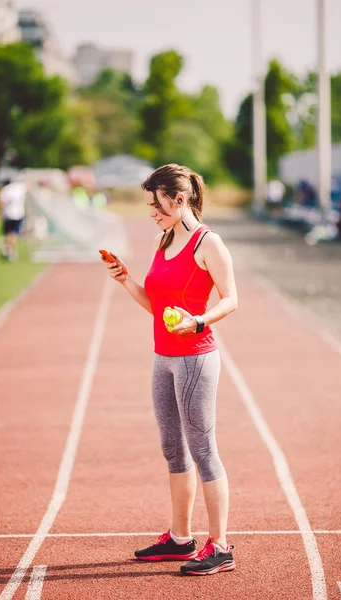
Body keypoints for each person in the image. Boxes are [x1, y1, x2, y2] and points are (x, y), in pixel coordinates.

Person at [101, 163, 238, 576]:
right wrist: (125, 280)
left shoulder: (207, 243)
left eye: (156, 206)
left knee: (202, 450)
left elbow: (231, 300)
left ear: (179, 200)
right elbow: (157, 307)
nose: (151, 213)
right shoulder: (164, 240)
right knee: (172, 449)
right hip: (163, 357)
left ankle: (221, 546)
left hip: (195, 356)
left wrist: (199, 321)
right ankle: (181, 540)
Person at [0, 177, 27, 261]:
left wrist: (1, 212)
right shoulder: (20, 188)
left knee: (8, 234)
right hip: (18, 214)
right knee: (13, 234)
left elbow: (1, 202)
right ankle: (11, 251)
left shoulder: (6, 190)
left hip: (8, 214)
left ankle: (9, 251)